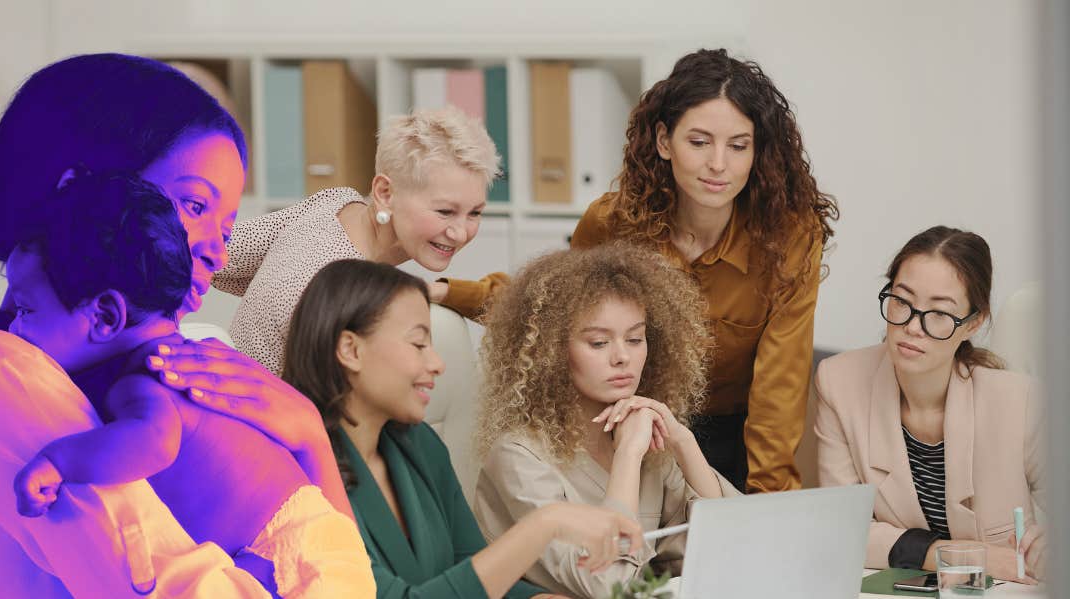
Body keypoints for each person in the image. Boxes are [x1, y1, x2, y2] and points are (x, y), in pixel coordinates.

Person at [0, 53, 363, 598]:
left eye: (227, 225)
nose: (217, 254)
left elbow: (337, 562)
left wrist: (311, 440)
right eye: (194, 204)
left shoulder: (196, 355)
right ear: (82, 196)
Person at [438, 49, 839, 493]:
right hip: (628, 427)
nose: (719, 165)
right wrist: (444, 291)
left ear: (757, 150)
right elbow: (548, 303)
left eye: (738, 146)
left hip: (740, 437)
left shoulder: (790, 237)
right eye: (700, 142)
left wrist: (767, 507)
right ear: (665, 141)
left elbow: (778, 391)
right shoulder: (613, 222)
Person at [4, 171, 371, 595]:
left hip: (291, 560)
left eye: (24, 309)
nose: (12, 327)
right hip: (321, 547)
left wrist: (59, 460)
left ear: (106, 316)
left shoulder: (149, 377)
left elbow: (153, 442)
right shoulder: (183, 358)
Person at [282, 258, 646, 599]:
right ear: (351, 350)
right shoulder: (296, 476)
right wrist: (545, 525)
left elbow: (471, 568)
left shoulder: (420, 445)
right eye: (419, 344)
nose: (437, 363)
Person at [472, 243, 740, 598]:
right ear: (550, 352)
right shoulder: (520, 458)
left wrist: (684, 444)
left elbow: (731, 551)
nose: (622, 357)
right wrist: (627, 456)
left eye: (635, 339)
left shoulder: (653, 446)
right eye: (598, 343)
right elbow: (607, 586)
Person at [814, 226, 1045, 584]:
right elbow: (841, 529)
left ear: (974, 323)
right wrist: (964, 556)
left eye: (939, 313)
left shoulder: (1020, 400)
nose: (913, 326)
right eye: (902, 301)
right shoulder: (839, 383)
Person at [213, 106, 507, 374]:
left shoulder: (333, 204)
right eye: (445, 211)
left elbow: (213, 254)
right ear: (385, 193)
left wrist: (434, 292)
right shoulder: (349, 294)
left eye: (475, 213)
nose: (460, 232)